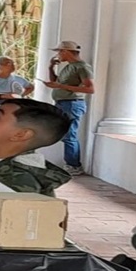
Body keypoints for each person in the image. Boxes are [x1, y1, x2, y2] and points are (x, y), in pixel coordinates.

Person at [44, 41, 94, 176]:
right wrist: (50, 68)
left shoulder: (82, 67)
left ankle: (74, 165)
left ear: (66, 51)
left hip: (72, 104)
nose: (58, 54)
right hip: (62, 103)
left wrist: (61, 87)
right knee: (66, 134)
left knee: (69, 134)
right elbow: (57, 82)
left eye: (60, 51)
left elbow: (90, 88)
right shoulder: (68, 67)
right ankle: (71, 164)